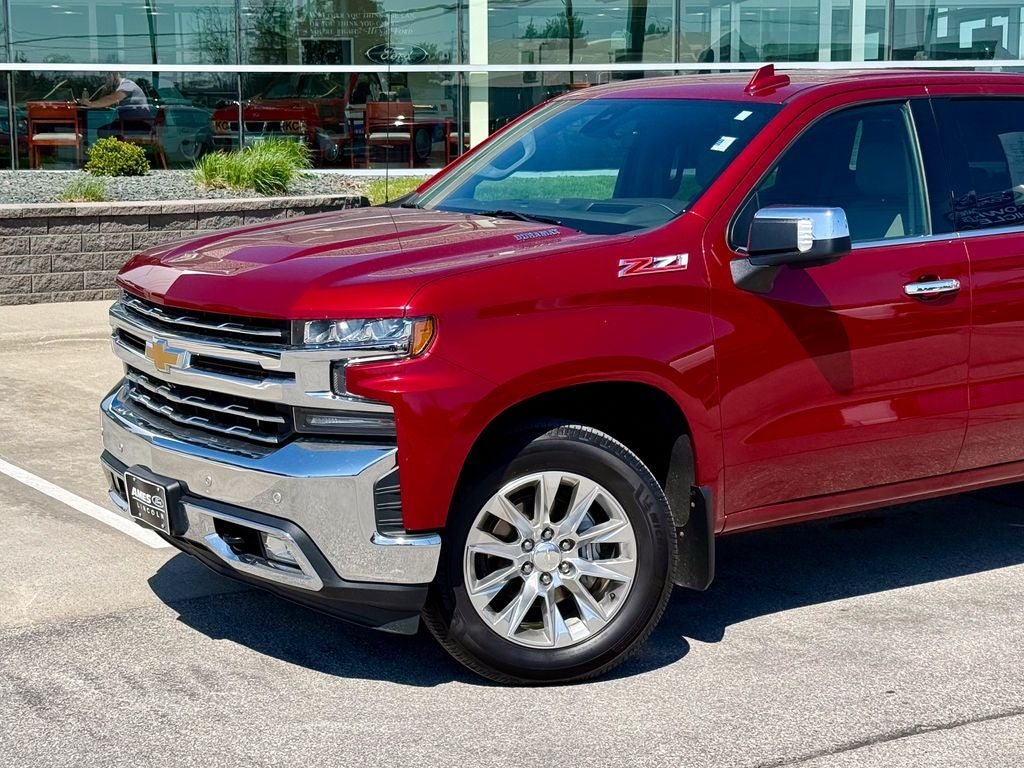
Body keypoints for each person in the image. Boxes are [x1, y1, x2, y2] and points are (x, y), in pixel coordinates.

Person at [81, 72, 153, 138]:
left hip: (140, 124)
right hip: (130, 123)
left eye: (108, 78)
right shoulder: (118, 88)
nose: (106, 81)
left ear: (114, 75)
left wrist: (90, 104)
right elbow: (105, 99)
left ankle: (114, 150)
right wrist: (105, 89)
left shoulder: (127, 85)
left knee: (104, 131)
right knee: (105, 129)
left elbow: (113, 98)